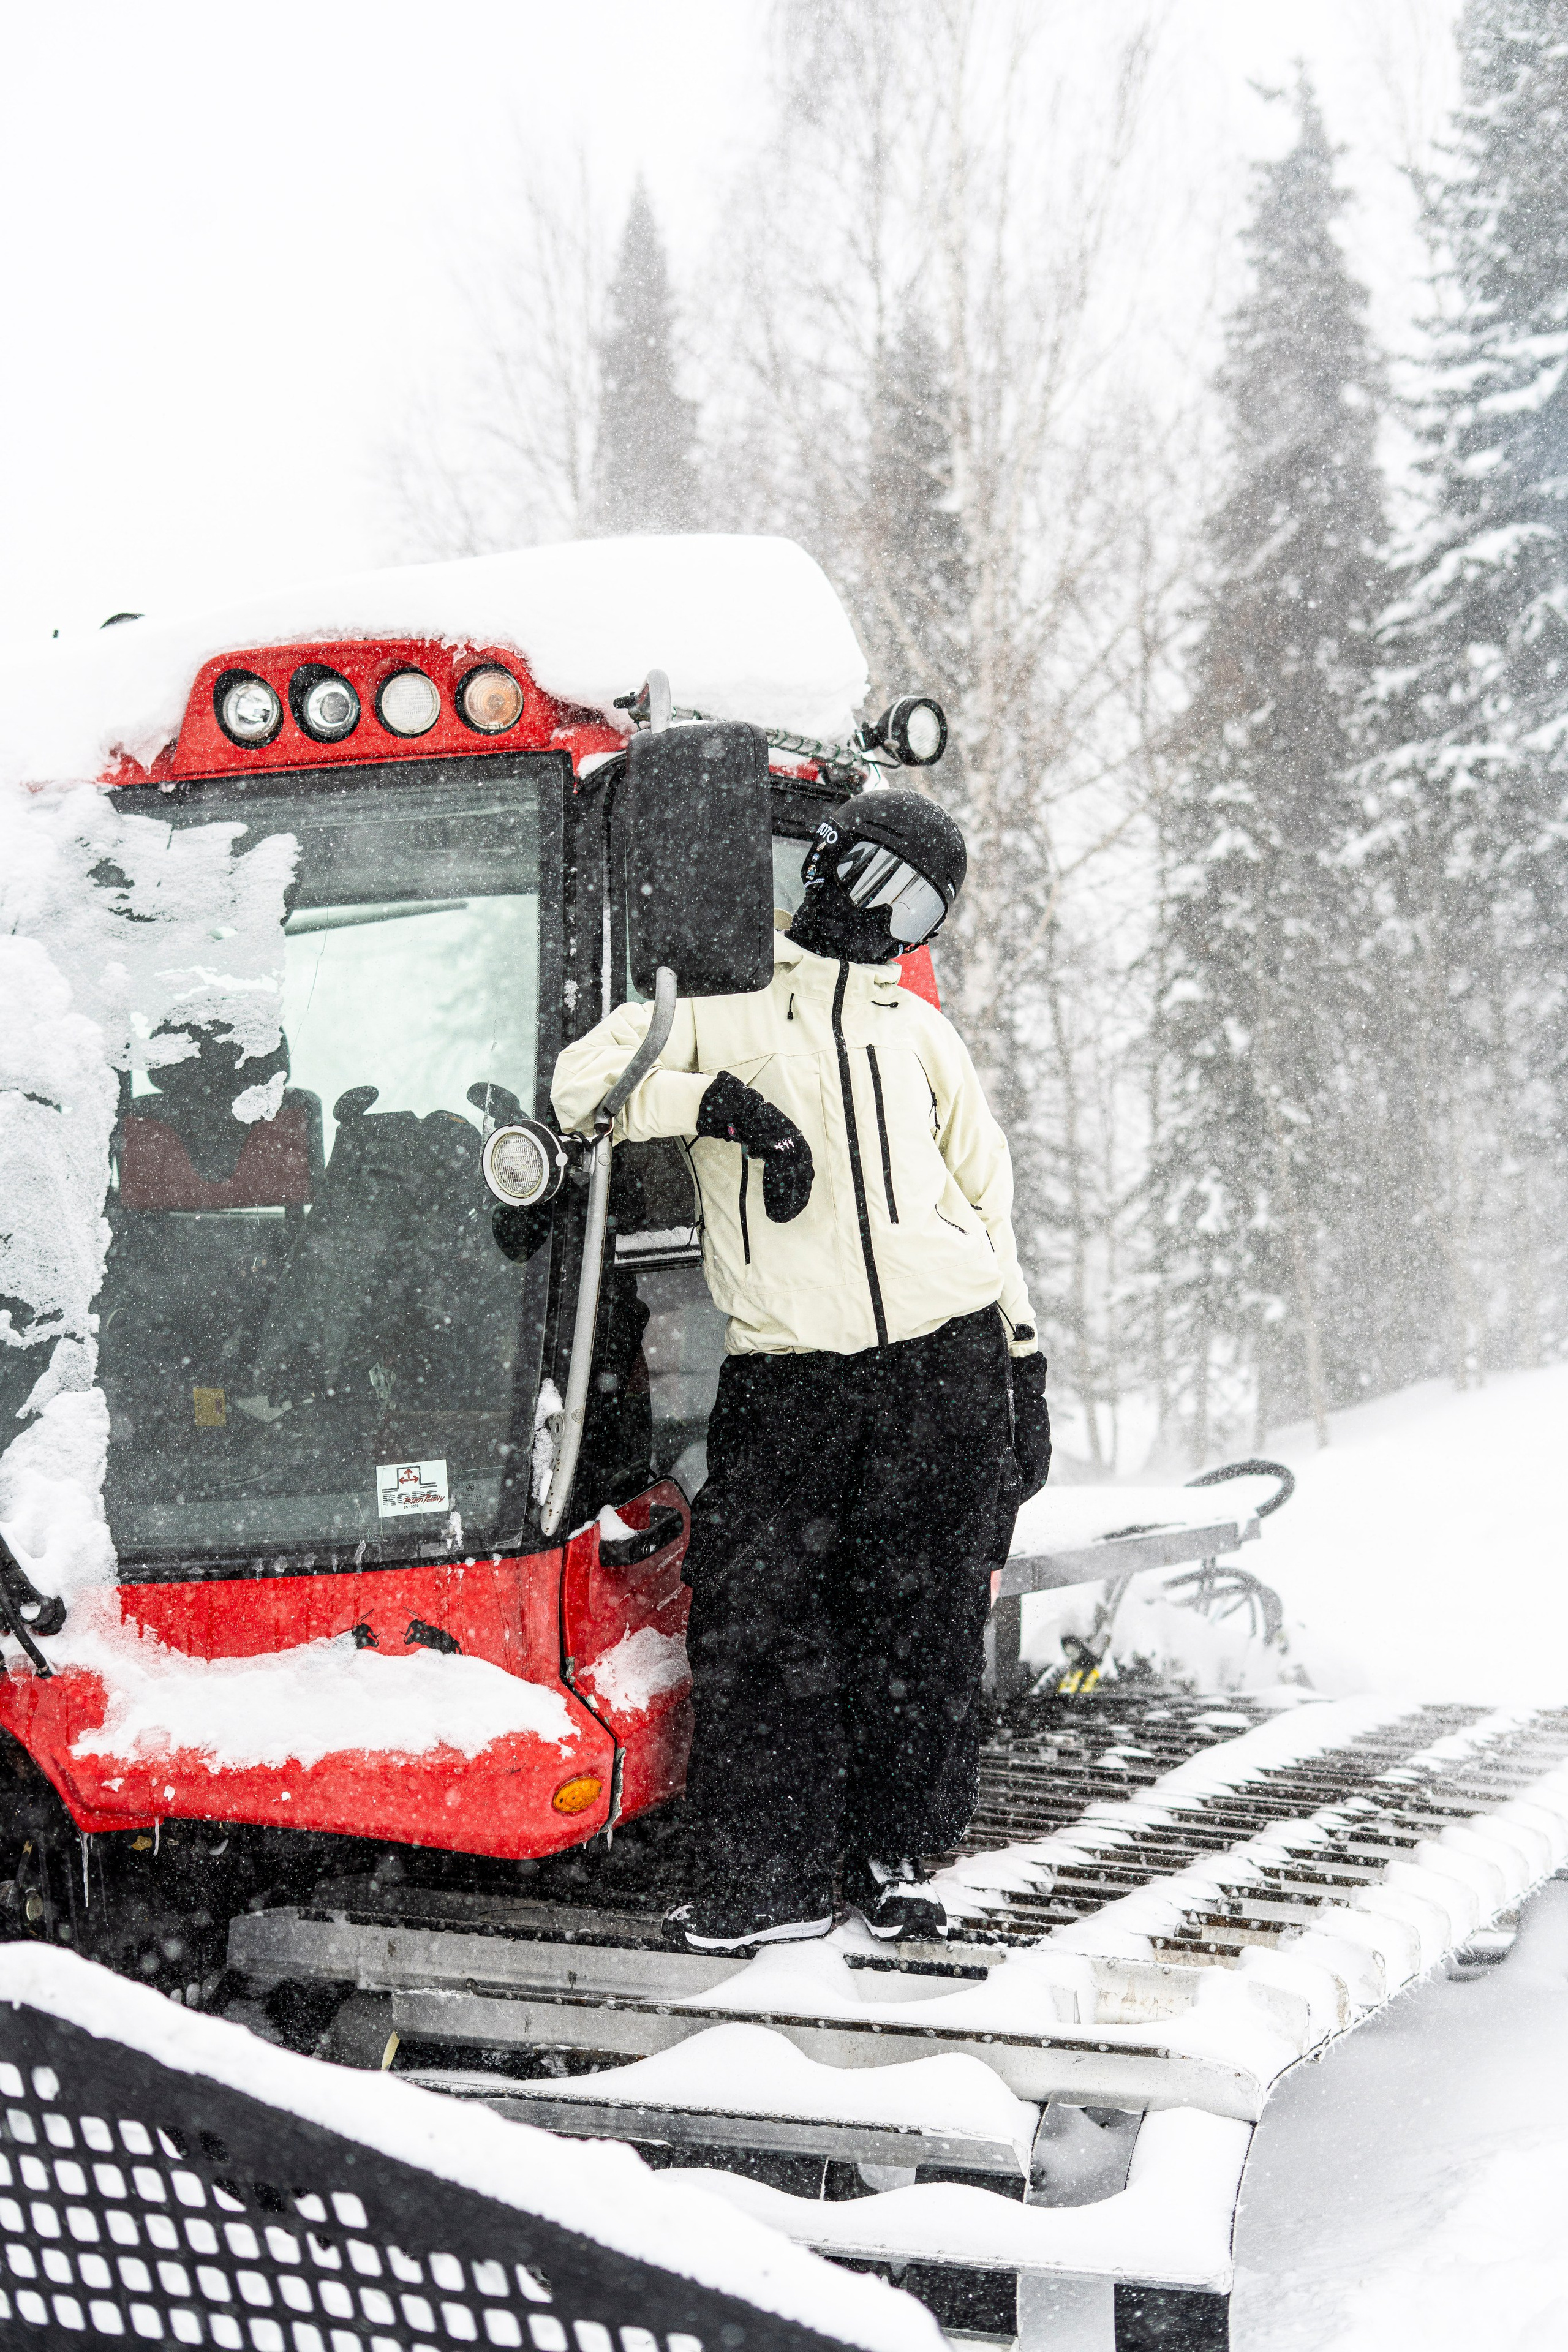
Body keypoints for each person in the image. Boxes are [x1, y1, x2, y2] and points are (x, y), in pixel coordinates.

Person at [551, 788, 1051, 1952]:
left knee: (920, 1625)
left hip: (945, 1364)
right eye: (882, 881)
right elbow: (584, 1092)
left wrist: (1023, 1364)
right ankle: (768, 1878)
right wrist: (715, 1106)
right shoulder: (719, 1005)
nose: (893, 918)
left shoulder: (918, 1032)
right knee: (761, 1622)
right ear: (830, 866)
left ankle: (895, 1856)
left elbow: (988, 1206)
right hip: (795, 1380)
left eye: (923, 907)